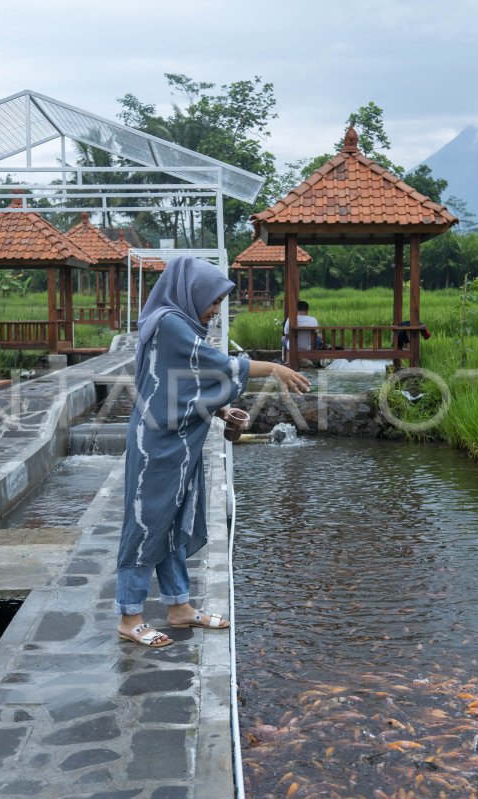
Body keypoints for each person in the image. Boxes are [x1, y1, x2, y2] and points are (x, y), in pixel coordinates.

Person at [117, 256, 309, 647]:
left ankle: (179, 608)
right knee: (145, 521)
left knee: (175, 521)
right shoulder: (169, 323)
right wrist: (272, 368)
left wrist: (219, 408)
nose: (216, 309)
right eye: (213, 299)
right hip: (156, 444)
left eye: (220, 301)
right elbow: (214, 364)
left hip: (180, 443)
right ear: (192, 292)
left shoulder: (182, 324)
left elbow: (182, 383)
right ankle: (130, 615)